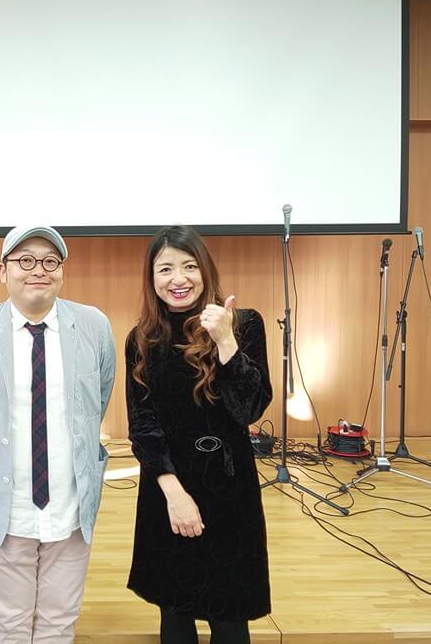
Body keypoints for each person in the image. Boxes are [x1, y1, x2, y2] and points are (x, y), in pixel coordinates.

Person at [0, 224, 116, 644]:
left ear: (61, 271)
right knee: (9, 621)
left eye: (49, 261)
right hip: (7, 504)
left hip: (70, 501)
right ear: (2, 271)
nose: (38, 270)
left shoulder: (93, 325)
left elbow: (99, 396)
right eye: (25, 260)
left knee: (60, 620)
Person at [125, 225, 273, 644]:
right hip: (168, 487)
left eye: (189, 266)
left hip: (230, 488)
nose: (178, 279)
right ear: (152, 278)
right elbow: (143, 426)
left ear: (205, 271)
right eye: (165, 269)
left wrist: (225, 341)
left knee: (230, 616)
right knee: (175, 612)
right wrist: (174, 495)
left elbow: (250, 409)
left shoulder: (244, 324)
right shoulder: (142, 339)